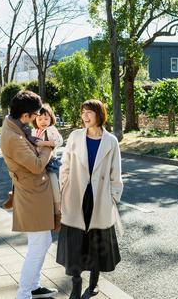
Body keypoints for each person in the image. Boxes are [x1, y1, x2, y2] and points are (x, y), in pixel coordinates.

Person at [56, 99, 123, 299]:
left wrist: (113, 197)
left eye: (89, 112)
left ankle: (93, 283)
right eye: (83, 112)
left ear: (99, 114)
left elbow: (116, 172)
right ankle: (76, 286)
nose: (85, 116)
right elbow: (65, 165)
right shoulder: (75, 136)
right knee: (75, 244)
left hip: (100, 200)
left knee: (97, 242)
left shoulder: (111, 141)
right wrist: (64, 188)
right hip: (76, 198)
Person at [0, 90, 58, 299]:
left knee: (44, 242)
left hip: (34, 192)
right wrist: (49, 147)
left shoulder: (15, 127)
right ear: (25, 115)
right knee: (36, 247)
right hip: (32, 194)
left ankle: (33, 286)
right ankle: (23, 294)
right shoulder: (12, 136)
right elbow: (35, 165)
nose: (36, 119)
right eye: (35, 115)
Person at [32, 104, 63, 231]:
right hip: (36, 163)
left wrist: (43, 143)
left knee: (55, 188)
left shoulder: (51, 130)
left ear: (51, 118)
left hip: (49, 164)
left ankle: (57, 215)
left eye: (46, 118)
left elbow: (58, 141)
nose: (43, 121)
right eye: (40, 119)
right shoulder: (34, 131)